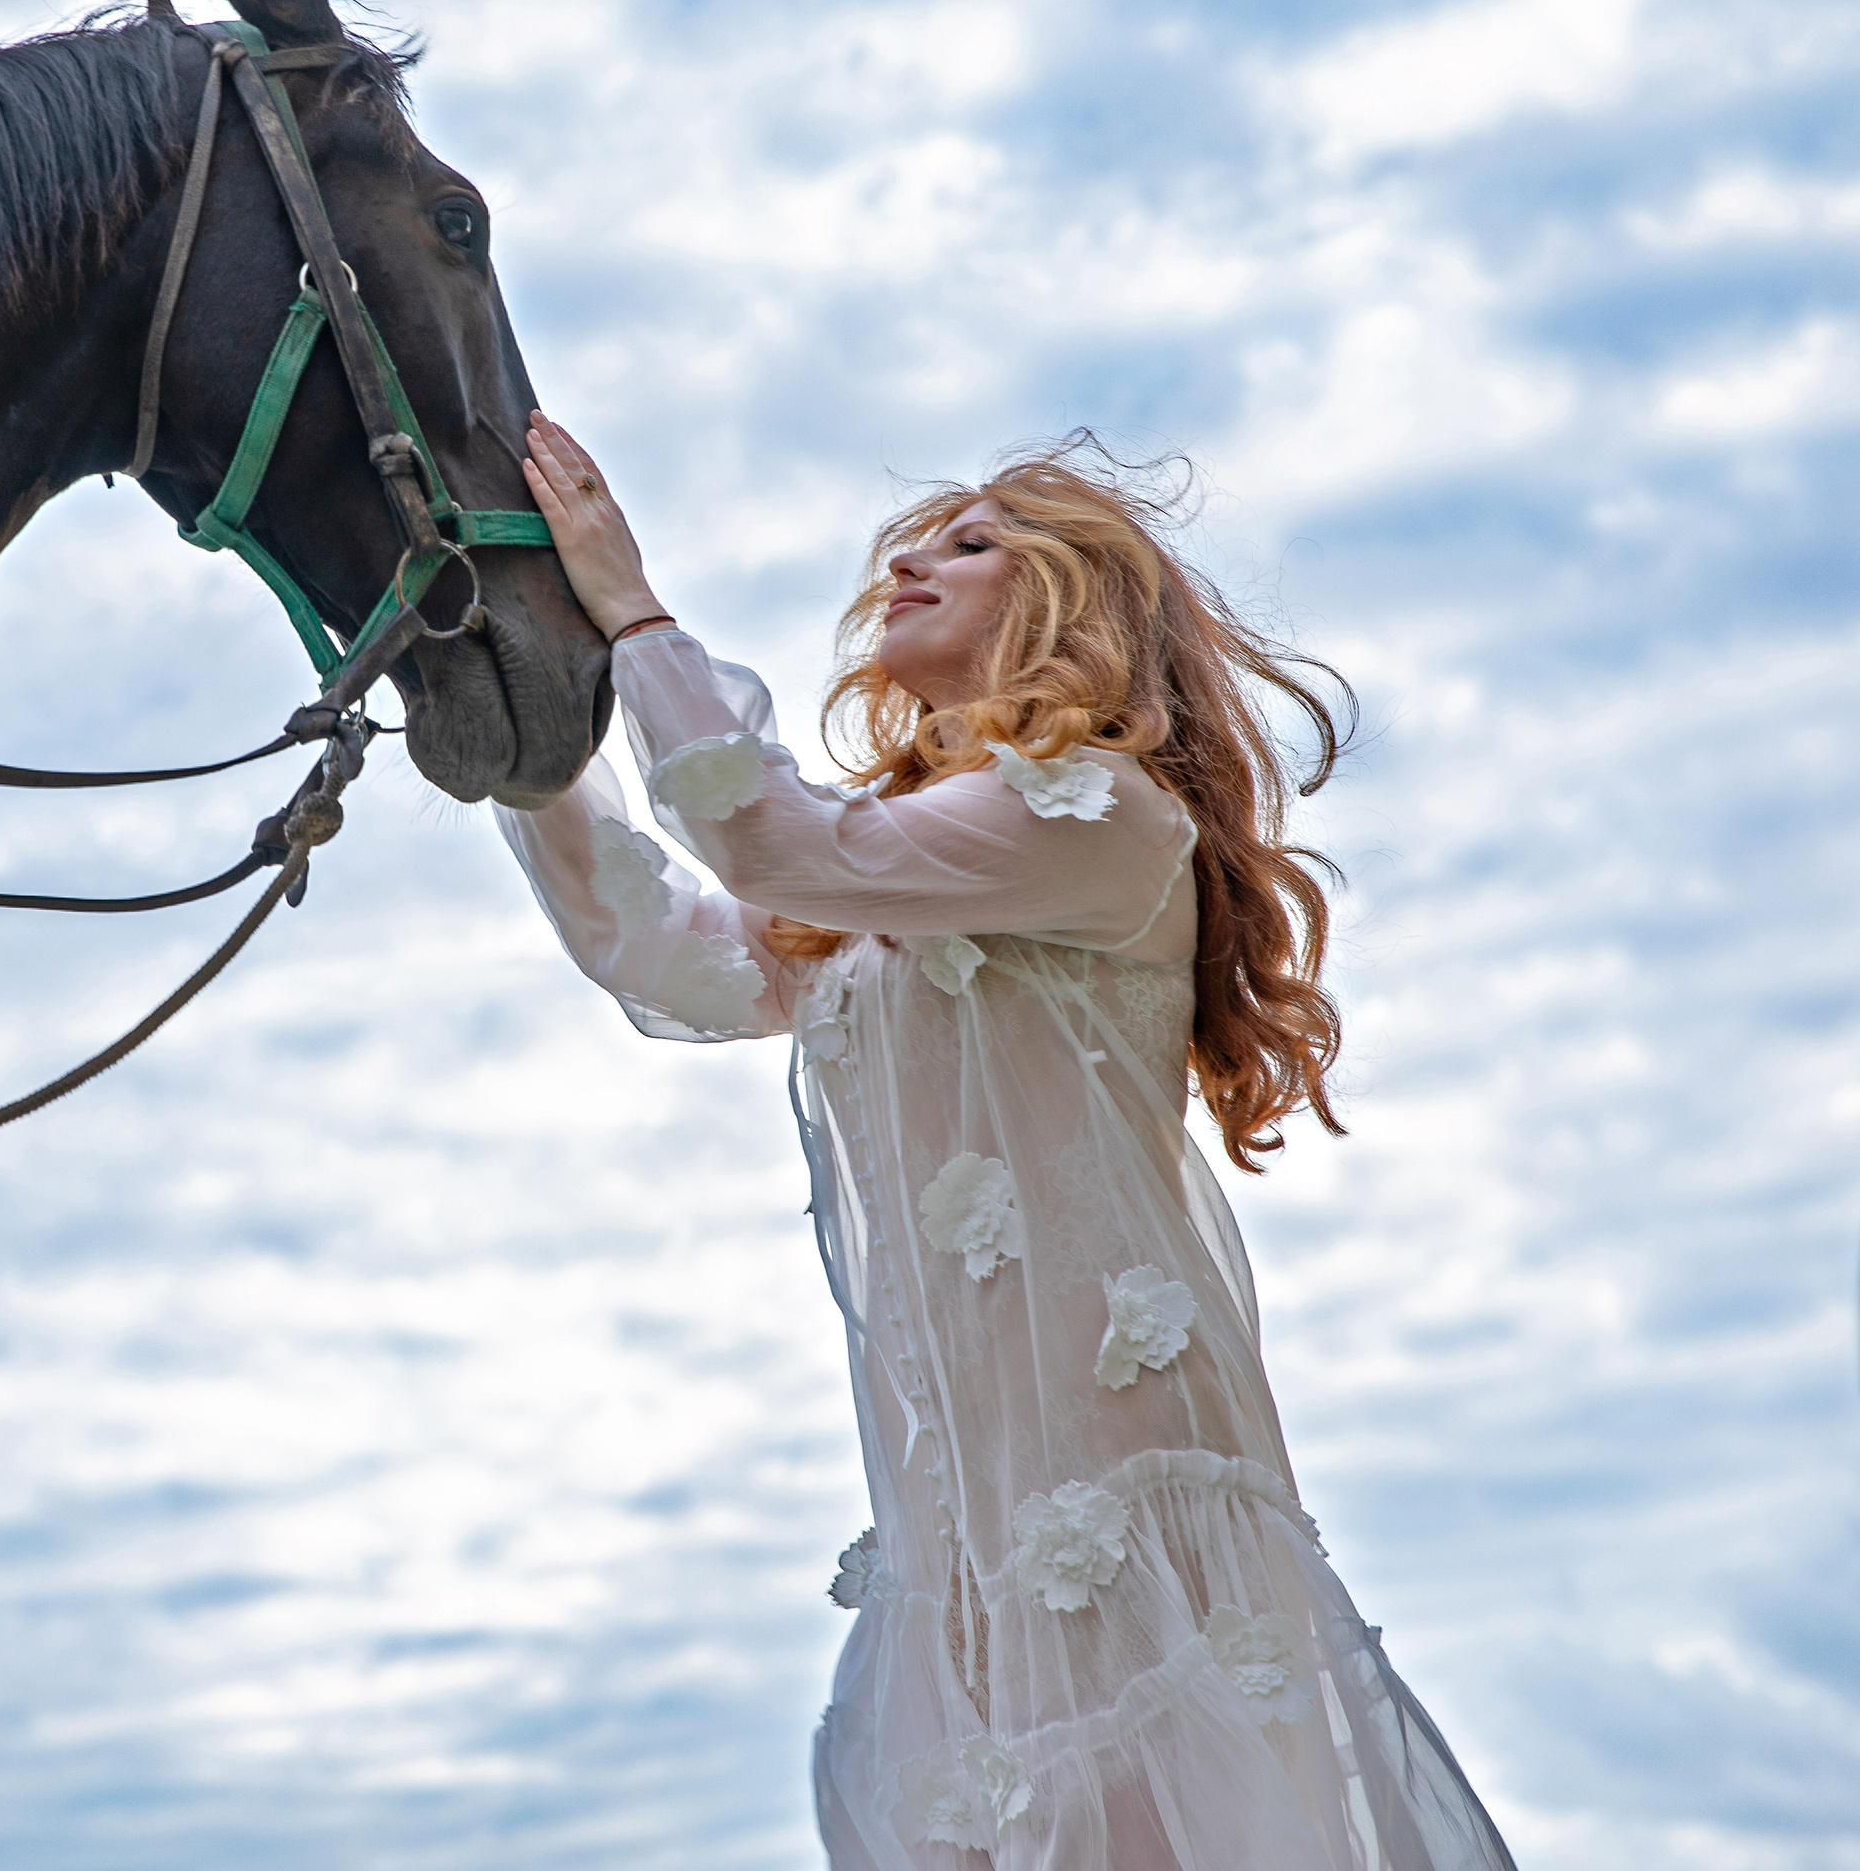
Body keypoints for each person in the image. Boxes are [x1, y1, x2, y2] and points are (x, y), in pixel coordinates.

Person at [498, 415, 1517, 1870]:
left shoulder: (1101, 816)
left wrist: (631, 609)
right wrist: (520, 739)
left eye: (972, 545)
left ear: (1068, 611)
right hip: (963, 1556)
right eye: (918, 540)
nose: (913, 559)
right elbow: (656, 947)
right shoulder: (898, 887)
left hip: (1119, 1529)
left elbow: (772, 846)